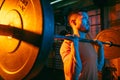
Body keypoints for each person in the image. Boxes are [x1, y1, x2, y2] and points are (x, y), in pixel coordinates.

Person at [60, 11, 105, 80]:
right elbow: (73, 75)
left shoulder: (89, 42)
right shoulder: (67, 44)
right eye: (84, 18)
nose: (88, 22)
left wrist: (101, 48)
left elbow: (98, 67)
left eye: (88, 18)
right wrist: (74, 44)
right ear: (73, 22)